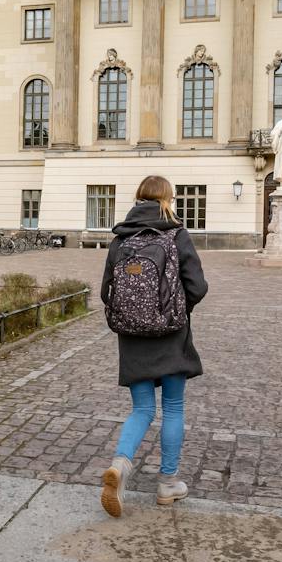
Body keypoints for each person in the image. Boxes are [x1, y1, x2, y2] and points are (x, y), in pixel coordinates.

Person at [99, 175, 209, 516]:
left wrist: (135, 314)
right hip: (171, 333)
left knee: (142, 409)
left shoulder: (121, 239)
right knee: (173, 408)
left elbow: (106, 291)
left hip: (132, 337)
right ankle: (167, 484)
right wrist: (175, 308)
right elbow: (198, 286)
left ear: (138, 199)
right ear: (167, 200)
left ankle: (120, 465)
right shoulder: (176, 235)